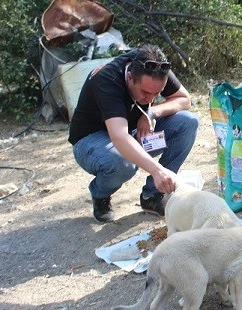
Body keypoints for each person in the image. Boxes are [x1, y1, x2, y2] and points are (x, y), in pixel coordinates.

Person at [68, 44, 199, 222]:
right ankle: (100, 194)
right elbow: (119, 137)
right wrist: (157, 170)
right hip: (91, 141)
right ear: (129, 77)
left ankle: (152, 196)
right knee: (123, 162)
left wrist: (151, 113)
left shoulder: (155, 67)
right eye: (145, 93)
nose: (150, 99)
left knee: (187, 122)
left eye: (157, 94)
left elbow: (184, 99)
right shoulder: (107, 79)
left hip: (130, 133)